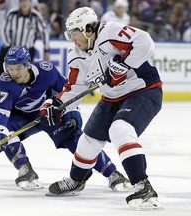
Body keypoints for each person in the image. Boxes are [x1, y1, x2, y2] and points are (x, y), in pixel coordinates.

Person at [40, 7, 163, 210]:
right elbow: (75, 87)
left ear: (88, 29)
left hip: (143, 90)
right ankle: (76, 180)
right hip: (112, 97)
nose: (72, 39)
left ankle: (143, 187)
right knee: (88, 141)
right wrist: (57, 104)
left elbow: (145, 42)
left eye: (74, 33)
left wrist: (123, 65)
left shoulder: (110, 33)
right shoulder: (76, 53)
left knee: (120, 130)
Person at [0, 45, 132, 191]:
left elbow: (67, 91)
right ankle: (25, 169)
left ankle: (113, 174)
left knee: (74, 138)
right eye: (10, 68)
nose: (14, 73)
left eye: (18, 67)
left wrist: (72, 110)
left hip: (47, 113)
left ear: (28, 64)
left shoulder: (46, 71)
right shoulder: (3, 84)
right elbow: (0, 111)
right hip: (21, 118)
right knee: (5, 133)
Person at [0, 0, 50, 107]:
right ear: (19, 2)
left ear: (30, 3)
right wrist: (8, 46)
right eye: (22, 1)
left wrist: (47, 49)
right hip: (9, 48)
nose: (25, 4)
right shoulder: (11, 14)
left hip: (26, 51)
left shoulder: (36, 16)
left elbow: (44, 32)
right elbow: (3, 30)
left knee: (24, 76)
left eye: (27, 1)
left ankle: (21, 101)